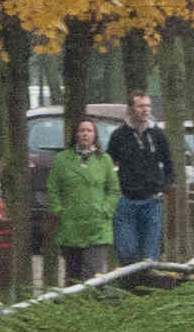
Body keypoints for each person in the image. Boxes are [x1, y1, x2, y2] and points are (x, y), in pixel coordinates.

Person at [107, 93, 175, 265]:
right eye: (140, 106)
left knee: (149, 255)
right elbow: (108, 165)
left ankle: (147, 289)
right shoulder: (118, 136)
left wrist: (165, 184)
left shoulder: (157, 134)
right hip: (126, 201)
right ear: (130, 109)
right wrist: (115, 189)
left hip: (152, 201)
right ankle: (130, 286)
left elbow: (168, 163)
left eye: (148, 106)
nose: (145, 110)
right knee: (127, 253)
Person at [44, 129, 119, 286]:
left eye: (89, 131)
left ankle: (92, 306)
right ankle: (73, 307)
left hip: (97, 225)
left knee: (93, 274)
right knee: (73, 275)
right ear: (75, 135)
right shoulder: (62, 160)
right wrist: (59, 210)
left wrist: (106, 210)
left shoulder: (104, 159)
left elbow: (113, 190)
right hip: (71, 226)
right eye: (82, 131)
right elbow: (53, 188)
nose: (85, 134)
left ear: (95, 136)